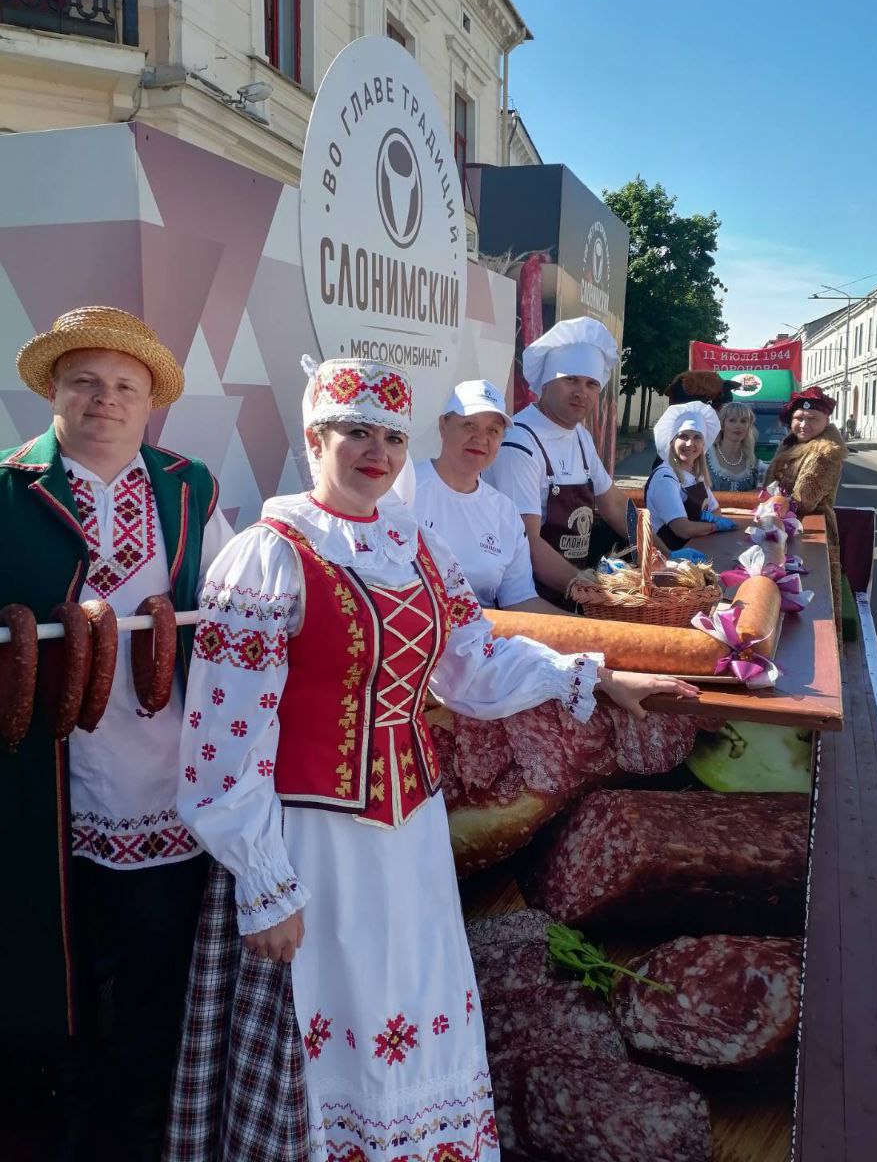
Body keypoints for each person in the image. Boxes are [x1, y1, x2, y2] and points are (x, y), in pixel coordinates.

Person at [165, 355, 698, 1162]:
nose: (375, 451)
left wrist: (597, 675)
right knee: (326, 1026)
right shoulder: (268, 556)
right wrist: (265, 886)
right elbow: (222, 742)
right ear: (315, 437)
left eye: (388, 434)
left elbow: (475, 668)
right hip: (311, 846)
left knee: (410, 1014)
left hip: (410, 837)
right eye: (355, 432)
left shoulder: (416, 550)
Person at [0, 307, 232, 1160]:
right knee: (47, 957)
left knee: (151, 964)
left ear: (150, 403)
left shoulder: (188, 486)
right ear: (54, 393)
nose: (104, 400)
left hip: (160, 778)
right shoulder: (5, 486)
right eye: (84, 383)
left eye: (124, 387)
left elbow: (233, 607)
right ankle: (50, 1114)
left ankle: (139, 1124)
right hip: (38, 777)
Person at [485, 316, 632, 604]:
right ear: (546, 383)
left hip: (570, 586)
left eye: (591, 384)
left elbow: (614, 504)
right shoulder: (520, 443)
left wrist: (663, 557)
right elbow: (526, 544)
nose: (582, 392)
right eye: (571, 380)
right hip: (529, 598)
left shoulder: (580, 436)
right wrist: (598, 594)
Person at [415, 379, 560, 613]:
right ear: (443, 426)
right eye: (469, 425)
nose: (481, 439)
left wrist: (594, 633)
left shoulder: (505, 512)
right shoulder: (403, 489)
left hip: (482, 642)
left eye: (493, 430)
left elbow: (520, 599)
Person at [766, 385, 847, 632]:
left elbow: (803, 500)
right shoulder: (791, 444)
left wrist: (769, 507)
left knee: (811, 598)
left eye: (813, 419)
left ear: (826, 420)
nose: (804, 424)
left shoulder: (824, 452)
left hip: (809, 531)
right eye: (799, 418)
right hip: (787, 526)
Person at [645, 401, 737, 550]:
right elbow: (682, 529)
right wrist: (714, 526)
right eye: (683, 436)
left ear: (703, 444)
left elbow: (715, 510)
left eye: (697, 437)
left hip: (696, 548)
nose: (689, 443)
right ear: (672, 441)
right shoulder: (665, 479)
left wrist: (710, 519)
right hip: (671, 558)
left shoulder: (696, 475)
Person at [706, 401, 766, 491]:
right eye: (732, 420)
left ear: (749, 426)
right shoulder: (706, 457)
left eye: (743, 421)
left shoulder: (752, 462)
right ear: (722, 425)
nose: (738, 425)